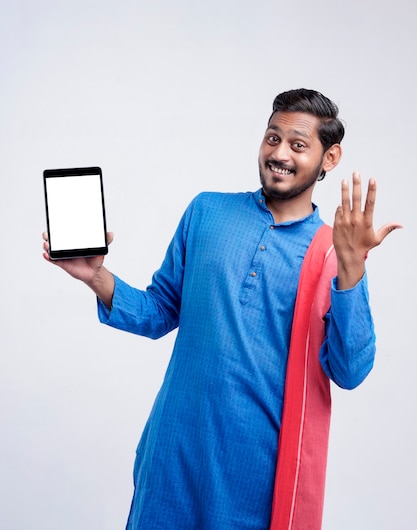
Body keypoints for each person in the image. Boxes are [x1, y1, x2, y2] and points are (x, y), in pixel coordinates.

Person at [43, 88, 401, 530]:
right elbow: (158, 311)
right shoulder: (206, 212)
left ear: (330, 158)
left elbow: (350, 371)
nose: (280, 154)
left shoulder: (333, 251)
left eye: (299, 144)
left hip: (256, 475)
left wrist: (352, 268)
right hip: (172, 455)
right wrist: (95, 276)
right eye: (273, 138)